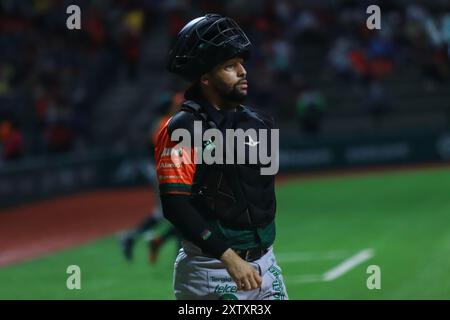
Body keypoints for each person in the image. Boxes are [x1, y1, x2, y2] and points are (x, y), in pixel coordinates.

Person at [154, 14, 288, 300]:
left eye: (241, 64)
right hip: (213, 270)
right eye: (230, 66)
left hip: (266, 266)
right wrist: (230, 257)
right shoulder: (183, 127)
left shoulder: (258, 123)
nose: (242, 72)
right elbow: (175, 205)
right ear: (205, 78)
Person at [120, 91, 183, 263]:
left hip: (166, 172)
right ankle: (176, 252)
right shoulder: (164, 123)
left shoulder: (165, 122)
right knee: (178, 212)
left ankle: (135, 238)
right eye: (174, 104)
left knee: (172, 213)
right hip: (163, 173)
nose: (177, 106)